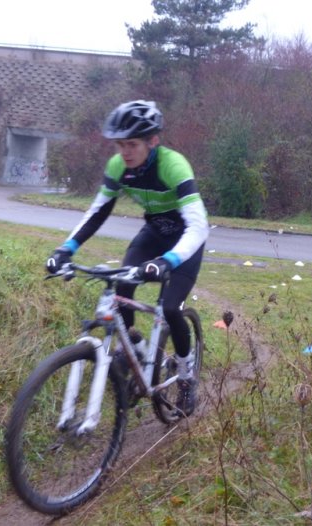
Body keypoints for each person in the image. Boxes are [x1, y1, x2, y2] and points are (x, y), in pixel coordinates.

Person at [46, 100, 209, 416]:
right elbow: (97, 212)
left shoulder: (174, 166)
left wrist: (169, 261)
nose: (126, 152)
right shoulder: (118, 167)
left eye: (132, 144)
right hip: (154, 234)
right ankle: (132, 350)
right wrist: (66, 249)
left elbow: (198, 224)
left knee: (171, 308)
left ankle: (187, 377)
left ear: (153, 141)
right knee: (121, 289)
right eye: (120, 145)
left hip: (186, 240)